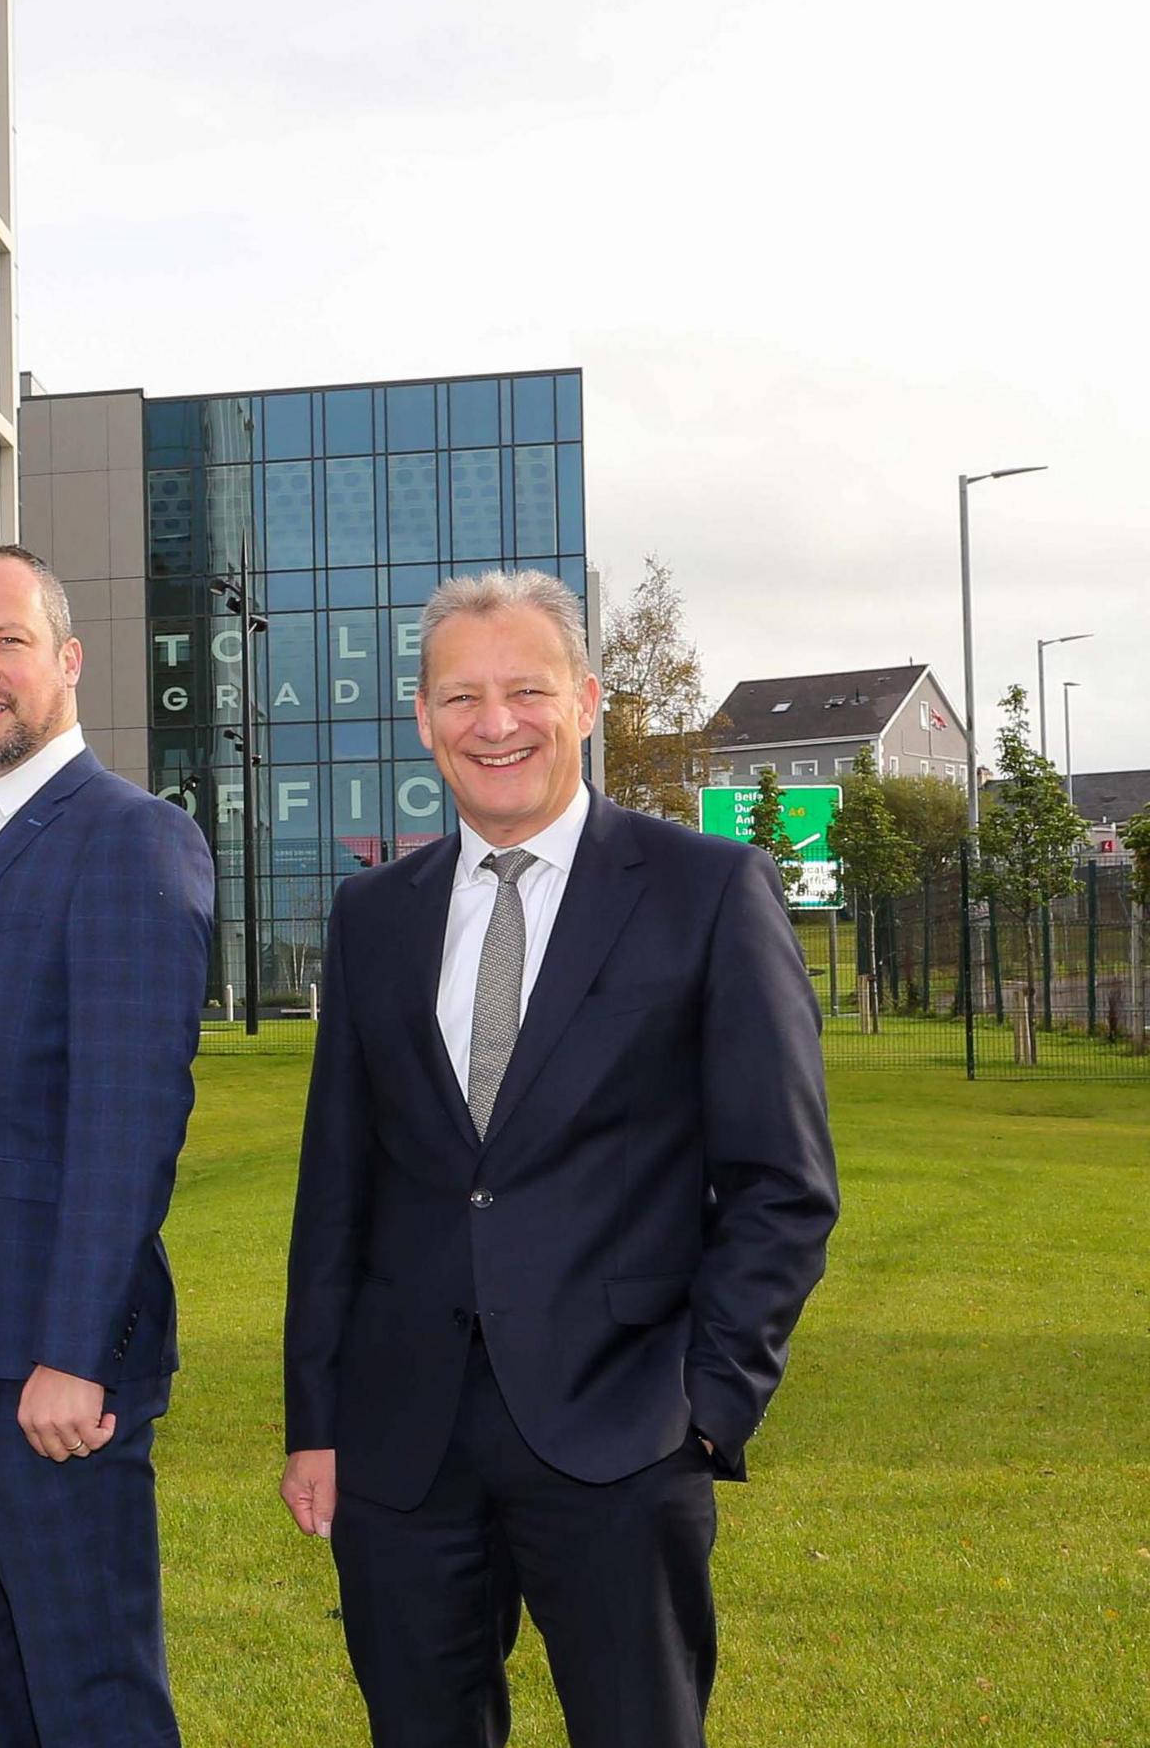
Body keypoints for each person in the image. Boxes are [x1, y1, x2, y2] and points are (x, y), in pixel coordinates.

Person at [283, 570, 838, 1748]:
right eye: (462, 696)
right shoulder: (373, 912)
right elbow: (337, 1184)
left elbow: (782, 1183)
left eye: (526, 690)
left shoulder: (704, 888)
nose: (497, 723)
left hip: (625, 1428)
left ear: (586, 701)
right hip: (403, 1440)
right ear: (424, 718)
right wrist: (316, 1418)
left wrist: (707, 1402)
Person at [0, 544, 215, 1748]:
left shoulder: (126, 839)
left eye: (5, 641)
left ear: (66, 659)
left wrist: (75, 1353)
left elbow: (129, 1120)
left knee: (94, 1701)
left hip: (54, 1375)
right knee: (8, 1691)